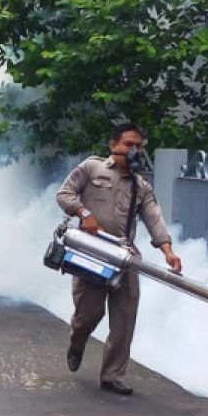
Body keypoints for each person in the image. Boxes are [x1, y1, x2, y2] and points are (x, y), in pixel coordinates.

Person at [55, 123, 182, 395]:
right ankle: (77, 343)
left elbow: (154, 218)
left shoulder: (141, 186)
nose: (134, 150)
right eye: (128, 144)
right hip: (91, 252)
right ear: (113, 145)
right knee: (88, 314)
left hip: (124, 256)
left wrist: (168, 250)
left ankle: (112, 375)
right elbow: (64, 194)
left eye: (138, 145)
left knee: (124, 317)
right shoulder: (92, 168)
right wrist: (84, 214)